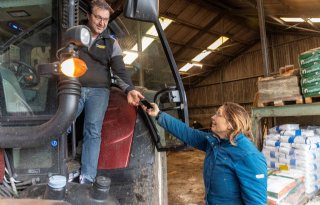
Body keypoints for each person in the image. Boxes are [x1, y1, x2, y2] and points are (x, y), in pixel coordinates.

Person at [143, 102, 267, 205]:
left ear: (230, 123)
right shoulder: (214, 142)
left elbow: (256, 202)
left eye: (218, 114)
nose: (213, 117)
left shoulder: (249, 156)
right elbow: (187, 133)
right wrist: (159, 114)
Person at [77, 0, 143, 184]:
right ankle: (55, 168)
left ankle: (87, 177)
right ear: (89, 16)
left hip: (99, 91)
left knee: (93, 130)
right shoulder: (74, 34)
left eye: (105, 19)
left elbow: (120, 70)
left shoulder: (111, 43)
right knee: (62, 125)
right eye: (98, 17)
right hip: (73, 88)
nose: (101, 23)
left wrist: (130, 89)